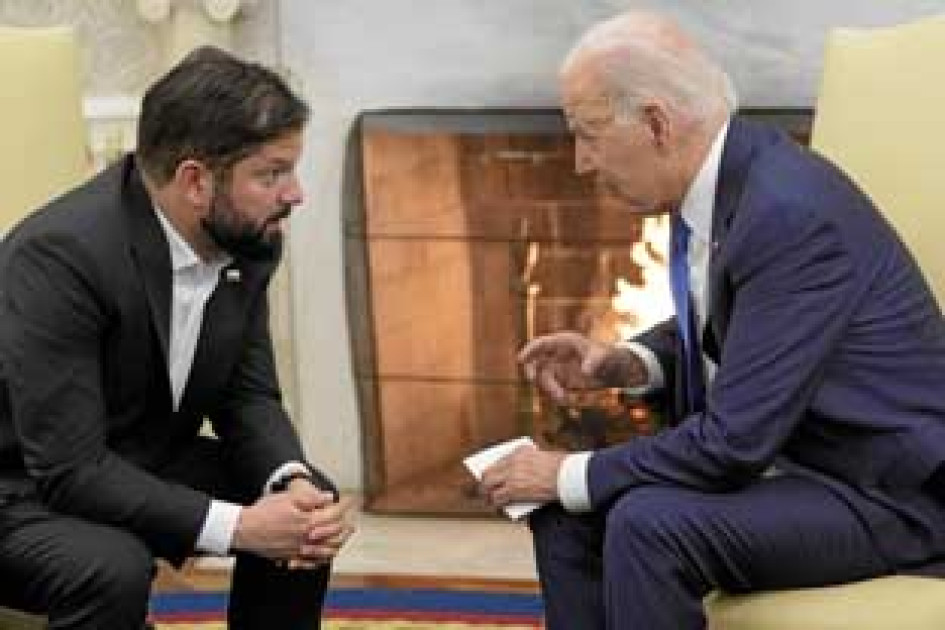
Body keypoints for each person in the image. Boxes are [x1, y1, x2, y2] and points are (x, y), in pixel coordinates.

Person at [479, 11, 945, 630]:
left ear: (656, 123)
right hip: (803, 464)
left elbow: (731, 444)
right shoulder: (727, 183)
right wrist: (629, 361)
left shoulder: (787, 213)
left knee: (648, 525)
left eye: (588, 134)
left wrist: (567, 470)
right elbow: (741, 318)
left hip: (884, 494)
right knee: (567, 515)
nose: (581, 162)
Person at [0, 46, 354, 629]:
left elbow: (247, 397)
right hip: (22, 488)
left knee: (304, 511)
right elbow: (69, 470)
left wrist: (287, 478)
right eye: (271, 174)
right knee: (111, 567)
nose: (294, 194)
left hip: (134, 454)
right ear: (195, 181)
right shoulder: (62, 254)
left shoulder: (247, 235)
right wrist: (239, 526)